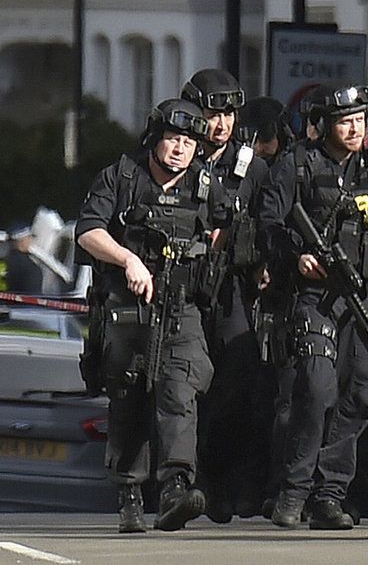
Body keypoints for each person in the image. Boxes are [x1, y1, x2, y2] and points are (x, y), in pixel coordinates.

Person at [258, 83, 368, 530]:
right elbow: (269, 227)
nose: (353, 129)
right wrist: (297, 256)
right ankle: (293, 491)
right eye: (344, 121)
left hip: (366, 297)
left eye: (359, 120)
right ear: (323, 125)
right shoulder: (296, 167)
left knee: (362, 392)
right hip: (314, 297)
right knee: (315, 388)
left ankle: (329, 494)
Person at [75, 99, 232, 533]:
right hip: (128, 308)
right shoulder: (122, 177)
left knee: (180, 392)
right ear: (155, 138)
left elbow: (225, 230)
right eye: (174, 139)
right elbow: (88, 229)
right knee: (130, 398)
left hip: (182, 305)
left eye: (189, 142)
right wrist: (128, 259)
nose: (181, 149)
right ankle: (128, 494)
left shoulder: (205, 183)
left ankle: (175, 489)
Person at [179, 68, 271, 522]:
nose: (222, 124)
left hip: (234, 285)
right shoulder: (177, 153)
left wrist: (266, 262)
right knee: (187, 380)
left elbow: (269, 220)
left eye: (230, 114)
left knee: (238, 377)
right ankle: (183, 480)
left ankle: (220, 479)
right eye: (214, 114)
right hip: (187, 284)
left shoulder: (251, 166)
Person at [4, 223, 44, 294]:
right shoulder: (30, 267)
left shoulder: (4, 262)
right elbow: (33, 298)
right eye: (29, 238)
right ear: (22, 242)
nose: (31, 241)